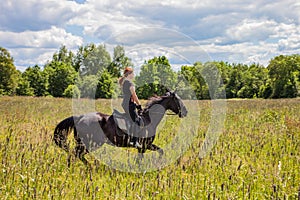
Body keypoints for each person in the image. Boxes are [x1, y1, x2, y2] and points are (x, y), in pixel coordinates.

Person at [118, 67, 143, 148]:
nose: (134, 75)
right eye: (133, 73)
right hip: (129, 104)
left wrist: (135, 105)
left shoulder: (125, 82)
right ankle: (134, 141)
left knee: (131, 119)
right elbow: (134, 95)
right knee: (137, 121)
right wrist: (139, 105)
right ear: (129, 74)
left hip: (126, 103)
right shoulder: (130, 84)